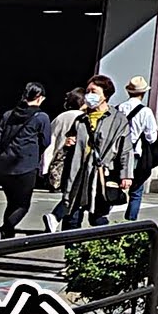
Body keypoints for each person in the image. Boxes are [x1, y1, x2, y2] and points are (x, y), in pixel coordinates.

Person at [61, 75, 134, 228]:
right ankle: (72, 251)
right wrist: (68, 143)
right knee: (71, 217)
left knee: (99, 218)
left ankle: (98, 249)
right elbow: (70, 141)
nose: (89, 96)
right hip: (78, 173)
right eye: (87, 92)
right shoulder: (81, 119)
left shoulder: (118, 119)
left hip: (101, 174)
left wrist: (125, 175)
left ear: (105, 94)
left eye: (93, 91)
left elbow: (125, 149)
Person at [0, 83, 51, 240]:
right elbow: (46, 141)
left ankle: (7, 233)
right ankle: (4, 230)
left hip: (4, 165)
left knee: (12, 201)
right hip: (26, 166)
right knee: (23, 204)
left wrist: (0, 155)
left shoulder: (9, 115)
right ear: (39, 98)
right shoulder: (41, 117)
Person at [42, 88, 84, 232]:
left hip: (60, 161)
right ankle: (57, 218)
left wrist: (45, 166)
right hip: (76, 162)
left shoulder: (60, 118)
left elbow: (50, 142)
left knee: (71, 194)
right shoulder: (84, 118)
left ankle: (59, 220)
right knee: (77, 195)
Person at [118, 76, 158, 221]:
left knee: (114, 186)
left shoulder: (118, 108)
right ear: (143, 93)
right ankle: (130, 221)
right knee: (136, 190)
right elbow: (151, 137)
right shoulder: (145, 112)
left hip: (117, 153)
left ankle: (103, 220)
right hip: (135, 153)